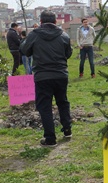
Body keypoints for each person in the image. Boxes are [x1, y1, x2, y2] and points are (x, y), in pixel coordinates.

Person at [20, 10, 73, 147]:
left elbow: (25, 50)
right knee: (63, 101)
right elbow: (68, 53)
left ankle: (50, 138)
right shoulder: (64, 35)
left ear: (41, 22)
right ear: (56, 22)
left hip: (42, 76)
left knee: (45, 107)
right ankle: (67, 130)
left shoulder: (34, 35)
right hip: (61, 74)